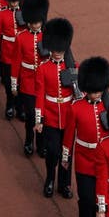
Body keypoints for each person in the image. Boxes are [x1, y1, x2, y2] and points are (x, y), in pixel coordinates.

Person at [62, 56, 109, 217]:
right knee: (86, 200)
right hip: (84, 160)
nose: (97, 94)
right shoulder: (76, 107)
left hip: (103, 163)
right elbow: (68, 134)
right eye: (93, 91)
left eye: (99, 90)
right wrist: (66, 157)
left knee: (101, 200)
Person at [34, 18, 76, 199]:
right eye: (55, 49)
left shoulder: (72, 67)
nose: (58, 53)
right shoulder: (43, 68)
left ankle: (64, 184)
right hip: (51, 116)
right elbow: (40, 95)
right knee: (52, 152)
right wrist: (39, 119)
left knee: (67, 153)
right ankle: (50, 178)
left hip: (68, 116)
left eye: (61, 50)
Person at [10, 0, 49, 156]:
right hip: (27, 81)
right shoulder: (21, 37)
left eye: (37, 22)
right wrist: (14, 83)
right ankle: (28, 141)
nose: (35, 25)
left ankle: (41, 145)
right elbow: (16, 61)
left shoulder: (47, 36)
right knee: (31, 115)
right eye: (32, 22)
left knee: (43, 116)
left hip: (44, 82)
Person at [0, 0, 27, 120]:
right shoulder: (1, 14)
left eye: (16, 0)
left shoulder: (25, 13)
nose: (14, 3)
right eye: (11, 0)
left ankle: (20, 107)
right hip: (7, 52)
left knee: (20, 82)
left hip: (22, 53)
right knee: (8, 82)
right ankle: (9, 105)